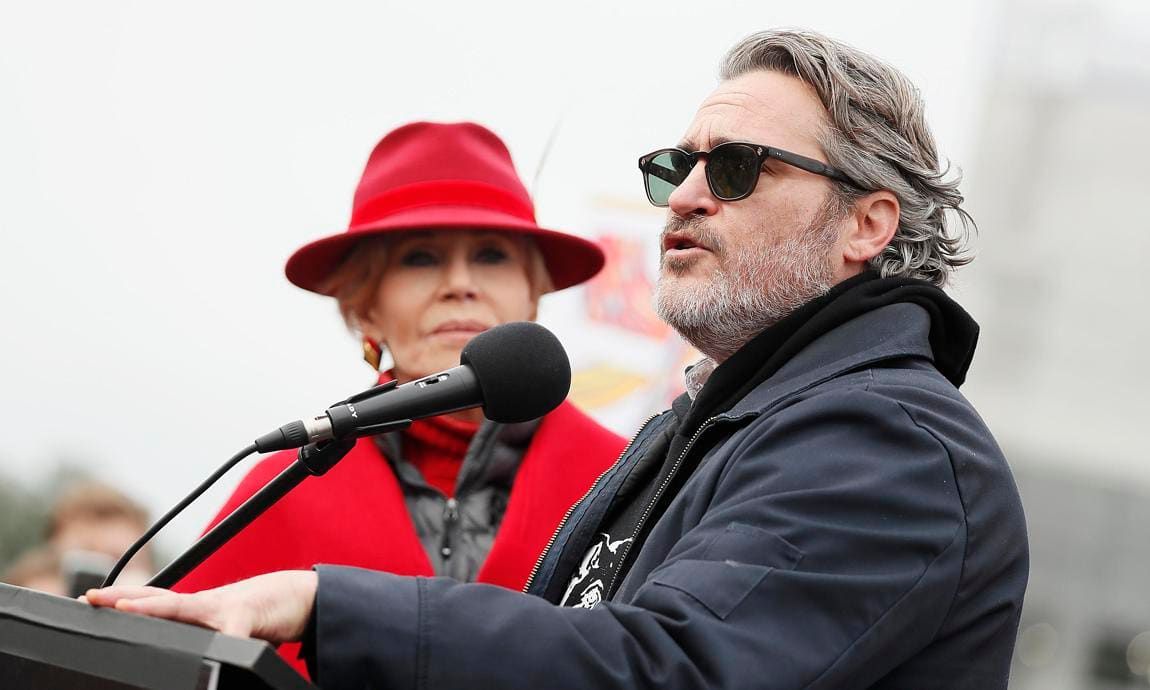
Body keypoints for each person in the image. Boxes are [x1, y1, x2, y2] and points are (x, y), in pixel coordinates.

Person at [85, 30, 1029, 689]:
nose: (688, 196)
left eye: (738, 167)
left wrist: (325, 603)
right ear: (361, 304)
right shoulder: (709, 428)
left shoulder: (883, 442)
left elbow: (673, 670)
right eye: (676, 166)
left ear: (867, 224)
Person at [169, 121, 627, 673]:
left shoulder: (626, 480)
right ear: (365, 306)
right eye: (420, 258)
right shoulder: (281, 487)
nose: (460, 283)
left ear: (534, 293)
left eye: (491, 255)